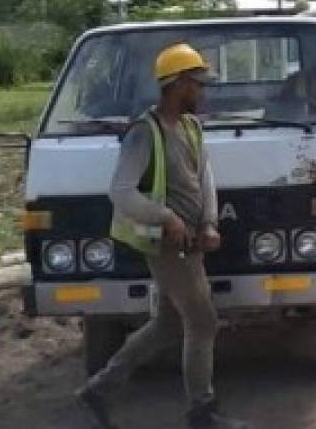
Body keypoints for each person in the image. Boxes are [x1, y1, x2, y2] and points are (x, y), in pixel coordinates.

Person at [76, 44, 249, 429]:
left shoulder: (190, 127)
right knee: (203, 322)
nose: (202, 92)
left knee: (169, 324)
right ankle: (201, 413)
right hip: (168, 246)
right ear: (177, 85)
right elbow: (120, 190)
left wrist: (208, 222)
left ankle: (99, 389)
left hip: (190, 241)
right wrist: (167, 217)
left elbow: (204, 178)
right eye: (196, 84)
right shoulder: (144, 132)